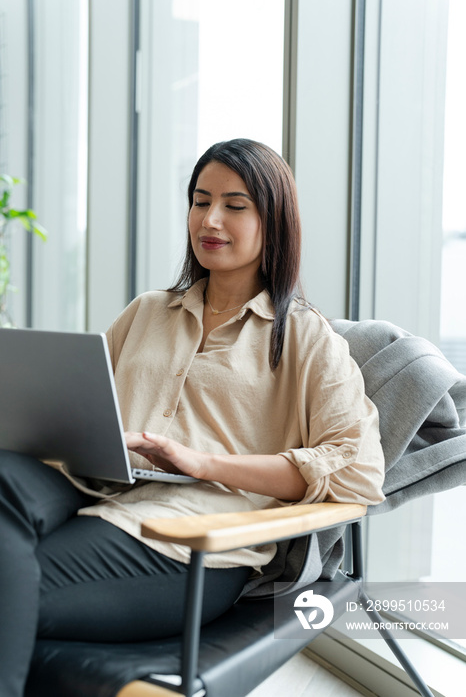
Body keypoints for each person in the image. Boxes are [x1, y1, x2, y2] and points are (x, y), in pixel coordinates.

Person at [0, 138, 385, 696]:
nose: (210, 219)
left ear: (273, 222)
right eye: (200, 200)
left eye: (235, 205)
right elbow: (81, 402)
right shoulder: (148, 311)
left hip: (187, 538)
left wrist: (204, 463)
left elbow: (357, 470)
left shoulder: (303, 337)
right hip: (95, 486)